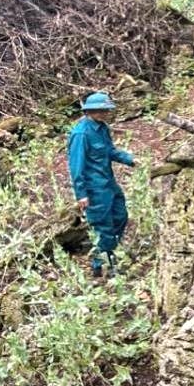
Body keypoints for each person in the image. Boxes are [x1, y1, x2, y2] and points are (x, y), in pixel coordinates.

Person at [67, 92, 135, 278]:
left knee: (121, 216)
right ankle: (104, 265)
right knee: (102, 227)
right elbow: (76, 167)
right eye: (102, 110)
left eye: (106, 110)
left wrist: (131, 160)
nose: (105, 113)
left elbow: (110, 151)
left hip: (109, 184)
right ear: (90, 111)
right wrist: (81, 194)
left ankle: (107, 255)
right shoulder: (81, 134)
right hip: (94, 189)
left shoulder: (102, 128)